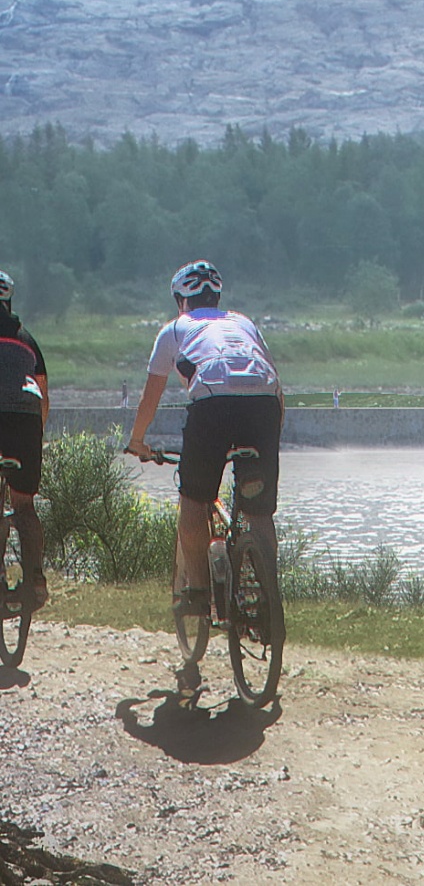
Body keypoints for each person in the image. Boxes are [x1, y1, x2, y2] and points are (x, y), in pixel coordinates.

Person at [126, 262, 284, 651]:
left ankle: (198, 590)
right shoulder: (245, 324)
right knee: (258, 511)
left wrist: (137, 441)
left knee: (194, 501)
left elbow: (151, 395)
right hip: (263, 406)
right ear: (217, 297)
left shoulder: (176, 328)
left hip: (213, 404)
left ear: (182, 300)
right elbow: (277, 387)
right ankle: (269, 599)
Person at [0, 270, 49, 607]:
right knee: (24, 505)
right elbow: (43, 395)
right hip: (27, 419)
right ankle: (36, 580)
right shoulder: (26, 338)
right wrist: (36, 437)